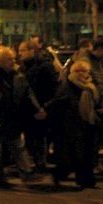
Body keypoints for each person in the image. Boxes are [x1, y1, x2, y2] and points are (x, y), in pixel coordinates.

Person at [0, 47, 35, 187]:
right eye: (9, 59)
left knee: (17, 145)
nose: (13, 61)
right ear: (0, 60)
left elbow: (27, 93)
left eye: (13, 59)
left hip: (13, 117)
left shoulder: (16, 75)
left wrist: (35, 109)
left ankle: (26, 172)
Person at [49, 59, 99, 189]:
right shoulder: (67, 85)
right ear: (72, 72)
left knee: (86, 152)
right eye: (78, 70)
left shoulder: (90, 86)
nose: (81, 73)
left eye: (84, 71)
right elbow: (59, 102)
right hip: (71, 124)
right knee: (75, 154)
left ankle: (85, 179)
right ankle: (65, 175)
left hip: (87, 123)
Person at [17, 39, 60, 175]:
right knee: (31, 137)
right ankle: (37, 162)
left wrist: (45, 107)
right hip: (28, 109)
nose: (19, 53)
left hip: (41, 108)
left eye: (22, 50)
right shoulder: (23, 67)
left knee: (40, 137)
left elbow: (53, 89)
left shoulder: (44, 66)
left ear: (31, 51)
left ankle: (41, 163)